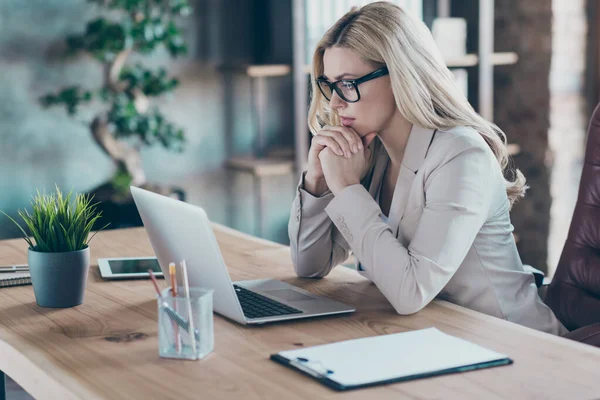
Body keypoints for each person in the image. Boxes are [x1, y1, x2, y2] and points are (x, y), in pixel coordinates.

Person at [287, 1, 567, 335]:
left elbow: (409, 293)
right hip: (430, 337)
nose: (334, 102)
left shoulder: (462, 155)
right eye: (330, 85)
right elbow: (309, 266)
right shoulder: (368, 152)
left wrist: (347, 189)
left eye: (347, 83)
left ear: (400, 75)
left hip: (512, 342)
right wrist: (317, 181)